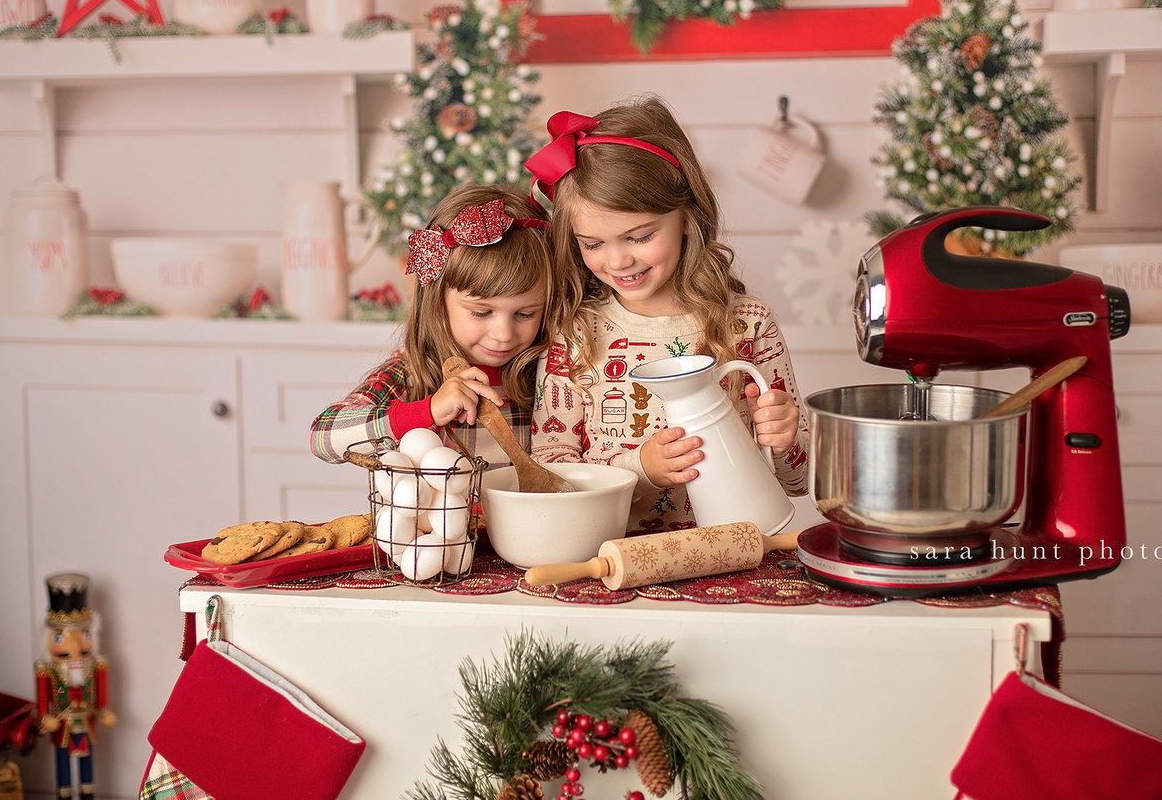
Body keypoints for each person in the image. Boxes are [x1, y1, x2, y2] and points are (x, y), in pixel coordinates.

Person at [526, 97, 809, 533]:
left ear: (687, 216)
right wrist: (640, 469)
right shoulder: (575, 332)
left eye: (639, 237)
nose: (617, 261)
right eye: (593, 244)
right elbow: (548, 474)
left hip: (734, 554)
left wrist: (786, 437)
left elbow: (798, 482)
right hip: (613, 558)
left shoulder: (749, 325)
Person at [310, 185, 553, 467]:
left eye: (525, 314)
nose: (504, 334)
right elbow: (323, 436)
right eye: (481, 312)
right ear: (438, 302)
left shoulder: (545, 372)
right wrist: (427, 411)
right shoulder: (415, 370)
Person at [34, 572, 115, 800]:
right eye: (60, 637)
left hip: (87, 723)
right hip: (62, 726)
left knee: (87, 769)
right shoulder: (45, 669)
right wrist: (44, 718)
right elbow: (42, 704)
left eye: (84, 634)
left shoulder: (97, 665)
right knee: (63, 770)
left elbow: (101, 701)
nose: (75, 645)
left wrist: (104, 712)